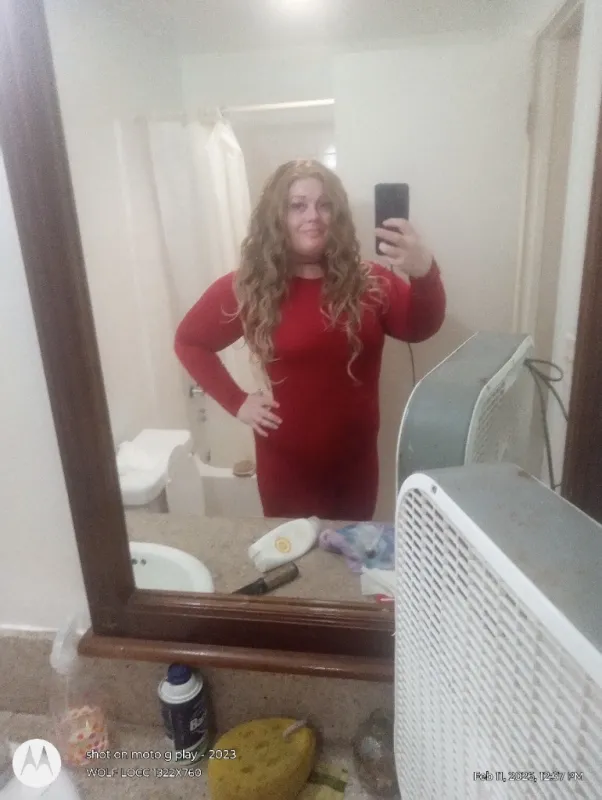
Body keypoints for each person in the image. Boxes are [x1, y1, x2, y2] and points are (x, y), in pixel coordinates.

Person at [174, 160, 445, 520]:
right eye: (297, 205)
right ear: (277, 216)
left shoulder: (370, 281)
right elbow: (189, 341)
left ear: (337, 215)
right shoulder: (251, 287)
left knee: (349, 551)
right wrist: (237, 402)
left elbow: (420, 327)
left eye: (324, 205)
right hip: (285, 468)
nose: (313, 216)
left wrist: (424, 272)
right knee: (293, 553)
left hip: (355, 466)